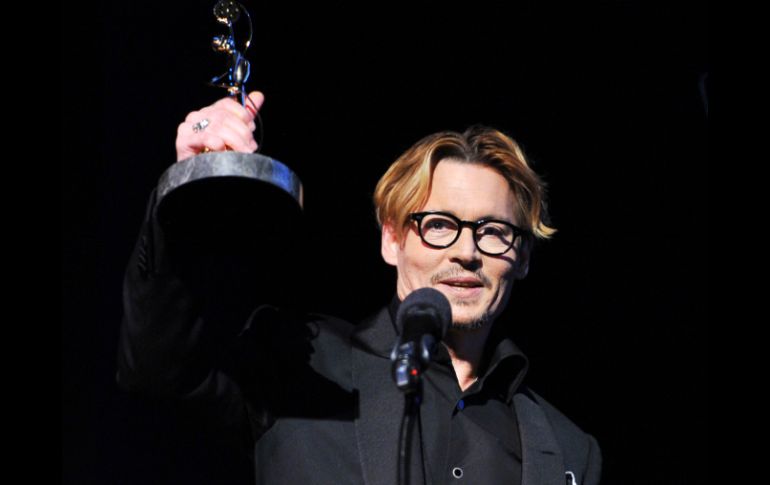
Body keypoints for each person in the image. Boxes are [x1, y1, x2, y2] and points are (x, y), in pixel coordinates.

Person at [117, 91, 602, 485]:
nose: (467, 251)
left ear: (522, 257)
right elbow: (157, 369)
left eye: (493, 231)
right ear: (392, 239)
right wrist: (186, 187)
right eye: (439, 225)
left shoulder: (569, 450)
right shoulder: (296, 363)